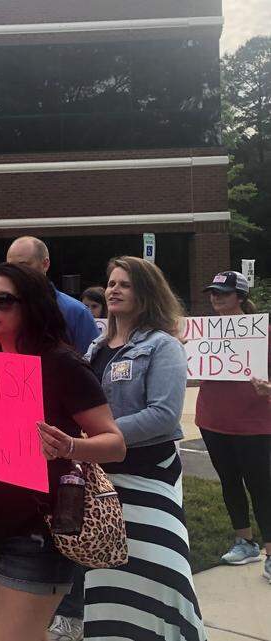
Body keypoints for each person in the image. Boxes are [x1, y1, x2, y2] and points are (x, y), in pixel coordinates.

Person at [0, 263, 126, 641]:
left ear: (33, 306)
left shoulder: (61, 364)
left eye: (3, 300)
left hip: (36, 530)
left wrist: (70, 445)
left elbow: (115, 444)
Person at [63, 256, 207, 641]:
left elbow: (162, 415)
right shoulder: (94, 349)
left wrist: (93, 439)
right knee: (106, 580)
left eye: (125, 284)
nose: (114, 289)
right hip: (103, 485)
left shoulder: (163, 346)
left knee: (164, 574)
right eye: (111, 283)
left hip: (148, 479)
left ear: (146, 293)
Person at [194, 271, 271, 580]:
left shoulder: (263, 331)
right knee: (229, 482)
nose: (216, 297)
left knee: (262, 487)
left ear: (240, 297)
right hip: (212, 420)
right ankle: (245, 541)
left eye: (223, 293)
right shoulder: (204, 331)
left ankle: (269, 550)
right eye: (213, 292)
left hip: (254, 422)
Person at [0, 236, 99, 354]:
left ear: (45, 264)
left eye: (23, 266)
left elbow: (92, 362)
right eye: (10, 267)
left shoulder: (76, 312)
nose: (15, 273)